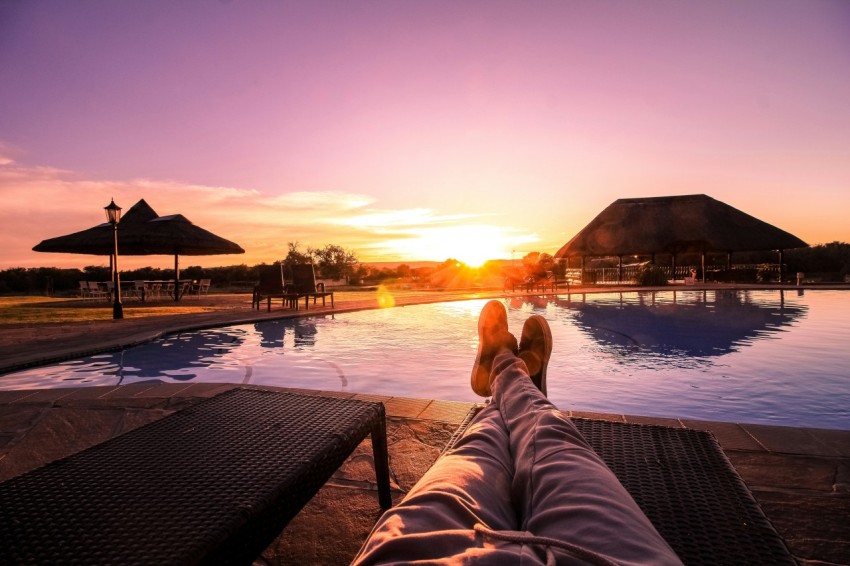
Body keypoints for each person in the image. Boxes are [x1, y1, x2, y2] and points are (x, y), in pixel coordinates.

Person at [353, 300, 682, 565]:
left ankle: (504, 372)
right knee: (551, 433)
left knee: (478, 442)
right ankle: (518, 378)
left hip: (417, 553)